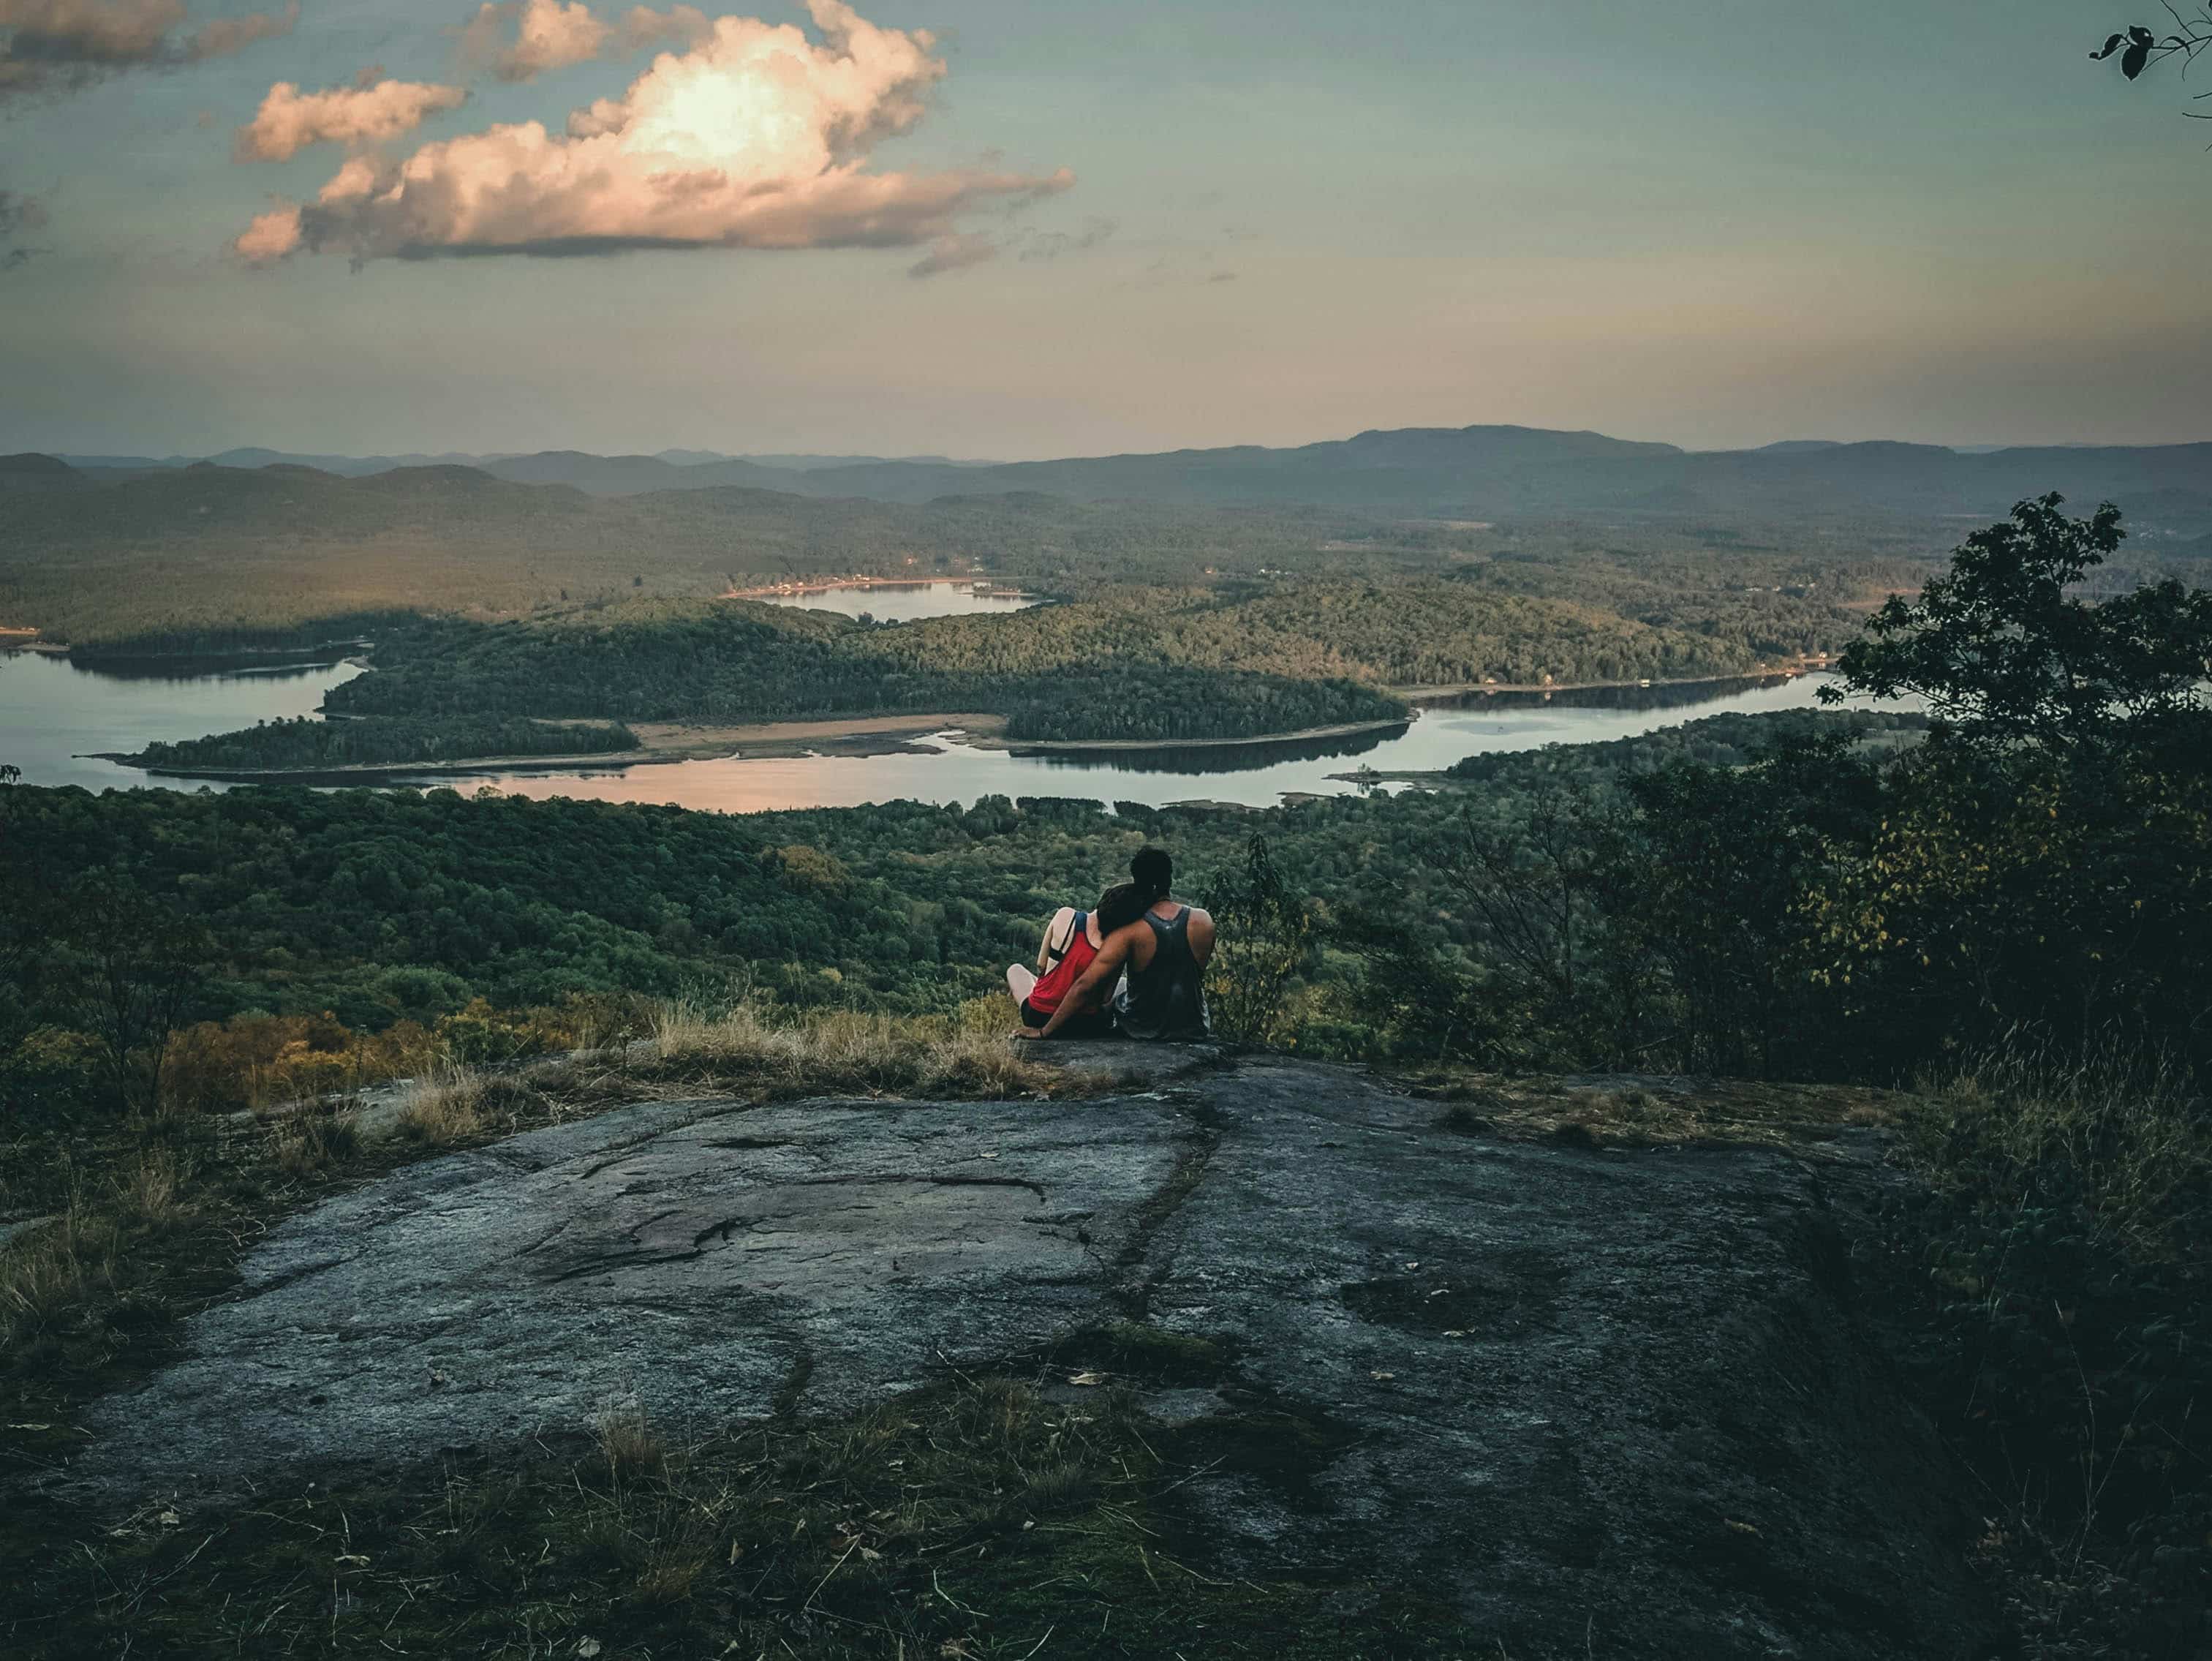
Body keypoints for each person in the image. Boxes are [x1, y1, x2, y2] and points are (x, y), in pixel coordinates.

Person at [1020, 845, 1214, 1042]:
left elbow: (1084, 986)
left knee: (1119, 993)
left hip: (1142, 1027)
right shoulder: (1204, 921)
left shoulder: (1129, 929)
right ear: (1170, 878)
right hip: (1194, 1027)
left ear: (1137, 880)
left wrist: (1044, 1032)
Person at [1008, 882, 1148, 1039]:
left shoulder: (1065, 915)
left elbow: (1041, 965)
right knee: (1123, 983)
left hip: (1038, 1015)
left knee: (1015, 969)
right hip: (1084, 1023)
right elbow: (1106, 998)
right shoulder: (1117, 946)